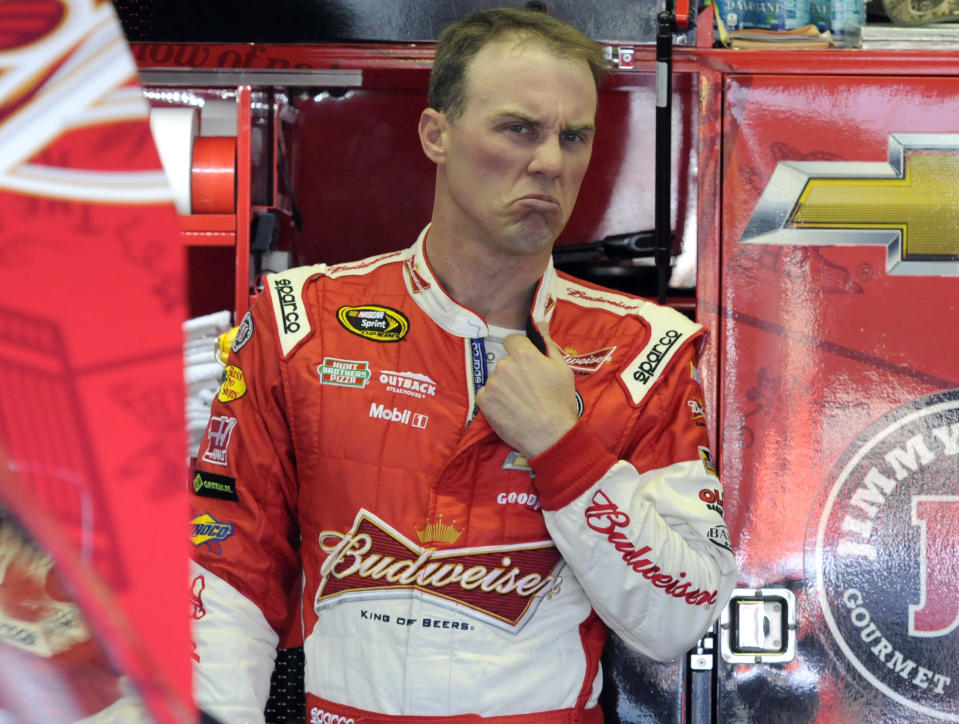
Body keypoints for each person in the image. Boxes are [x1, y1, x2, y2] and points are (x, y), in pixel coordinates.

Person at [190, 8, 737, 723]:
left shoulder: (646, 349)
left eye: (574, 137)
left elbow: (680, 618)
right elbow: (227, 565)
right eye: (518, 129)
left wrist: (562, 449)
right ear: (435, 135)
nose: (550, 162)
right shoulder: (301, 320)